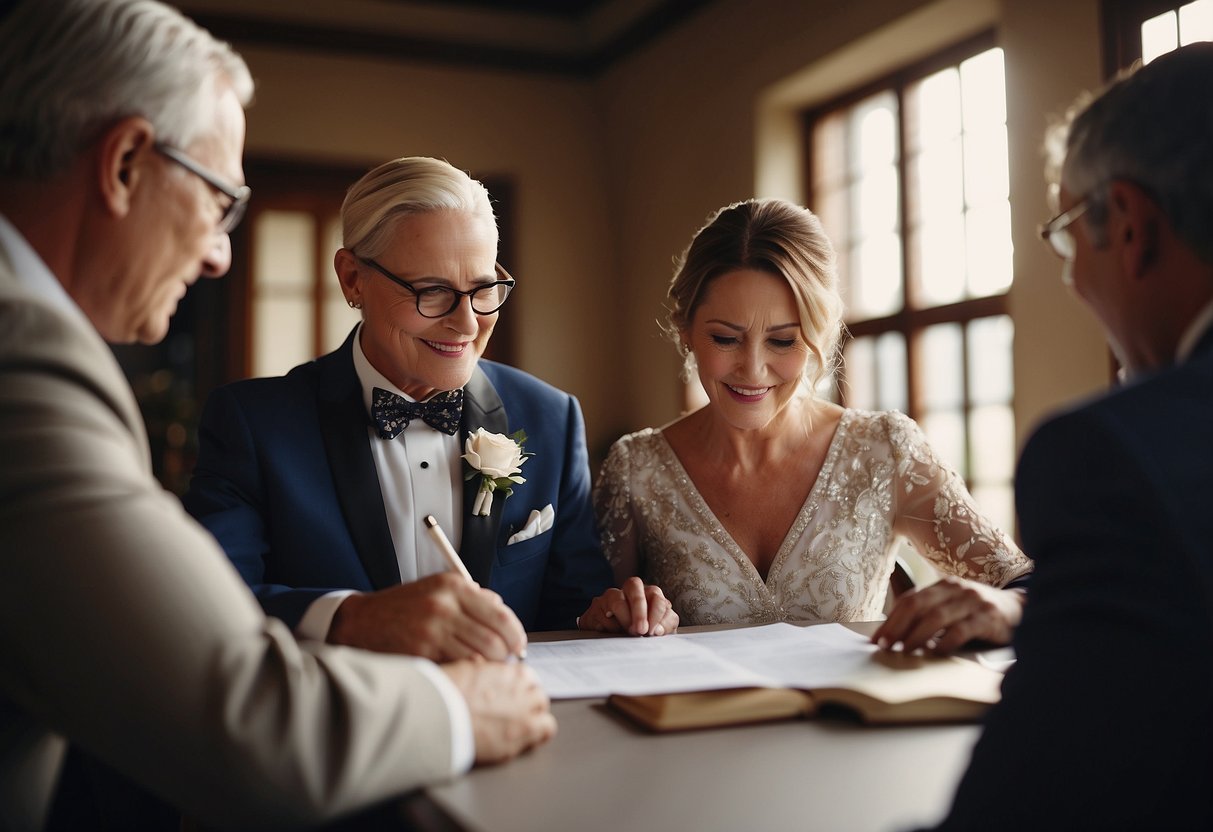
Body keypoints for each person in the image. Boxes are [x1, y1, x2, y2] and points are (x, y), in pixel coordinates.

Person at [0, 2, 554, 830]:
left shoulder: (549, 416)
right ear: (123, 164)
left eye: (482, 290)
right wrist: (457, 709)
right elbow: (243, 713)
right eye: (219, 198)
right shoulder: (24, 362)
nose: (221, 251)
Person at [183, 155, 678, 659]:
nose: (467, 324)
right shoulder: (251, 424)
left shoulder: (551, 418)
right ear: (352, 278)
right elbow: (211, 603)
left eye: (484, 289)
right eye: (433, 291)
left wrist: (608, 614)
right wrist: (355, 618)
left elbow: (572, 605)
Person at [926, 43, 1213, 831]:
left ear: (1129, 225)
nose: (1072, 279)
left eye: (1066, 237)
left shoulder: (1116, 453)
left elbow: (1025, 808)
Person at [591, 197, 1032, 653]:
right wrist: (613, 611)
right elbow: (584, 621)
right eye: (725, 338)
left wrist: (1000, 608)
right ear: (686, 329)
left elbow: (1024, 584)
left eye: (783, 341)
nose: (753, 369)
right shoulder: (635, 469)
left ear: (820, 335)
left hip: (853, 721)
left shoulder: (885, 449)